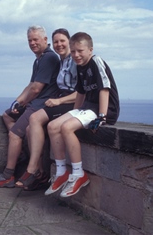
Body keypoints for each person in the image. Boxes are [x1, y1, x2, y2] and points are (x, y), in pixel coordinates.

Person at [45, 32, 119, 197]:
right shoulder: (79, 66)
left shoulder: (96, 62)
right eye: (73, 51)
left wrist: (102, 117)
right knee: (52, 126)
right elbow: (80, 92)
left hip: (103, 109)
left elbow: (104, 89)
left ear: (90, 50)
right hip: (87, 107)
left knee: (66, 128)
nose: (76, 55)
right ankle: (61, 171)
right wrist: (75, 112)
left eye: (80, 51)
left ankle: (78, 174)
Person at [0, 25, 60, 188]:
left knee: (14, 134)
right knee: (7, 116)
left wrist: (23, 103)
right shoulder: (39, 59)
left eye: (35, 39)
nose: (32, 43)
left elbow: (36, 89)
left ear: (45, 40)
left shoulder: (48, 57)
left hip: (42, 105)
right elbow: (30, 85)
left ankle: (8, 175)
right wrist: (17, 102)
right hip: (34, 103)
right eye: (30, 40)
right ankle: (25, 152)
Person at [15, 28, 77, 190]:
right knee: (30, 129)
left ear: (69, 42)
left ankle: (32, 168)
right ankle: (41, 174)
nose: (59, 45)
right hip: (62, 100)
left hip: (70, 102)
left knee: (35, 118)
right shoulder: (62, 61)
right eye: (56, 41)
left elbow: (81, 93)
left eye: (62, 41)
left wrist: (58, 101)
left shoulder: (74, 61)